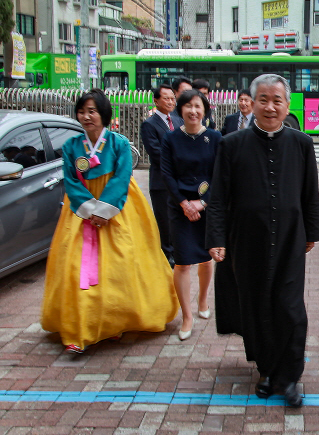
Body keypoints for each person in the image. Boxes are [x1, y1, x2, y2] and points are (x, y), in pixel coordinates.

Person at [206, 74, 319, 408]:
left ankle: (290, 377)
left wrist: (311, 232)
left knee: (290, 307)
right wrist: (216, 237)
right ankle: (267, 370)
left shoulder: (302, 143)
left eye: (277, 100)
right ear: (252, 103)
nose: (271, 107)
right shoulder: (231, 144)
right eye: (264, 100)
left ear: (287, 105)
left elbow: (310, 192)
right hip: (246, 239)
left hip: (290, 238)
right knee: (255, 305)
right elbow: (218, 197)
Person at [41, 89, 178, 354]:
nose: (86, 116)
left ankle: (115, 321)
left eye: (92, 111)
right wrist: (89, 210)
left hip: (118, 209)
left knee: (121, 266)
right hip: (80, 212)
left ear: (103, 113)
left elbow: (122, 177)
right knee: (76, 267)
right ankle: (80, 328)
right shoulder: (71, 146)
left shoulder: (118, 143)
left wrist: (103, 211)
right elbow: (71, 181)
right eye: (82, 112)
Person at [161, 90, 221, 341]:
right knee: (183, 262)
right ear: (180, 109)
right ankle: (186, 316)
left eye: (198, 106)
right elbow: (166, 174)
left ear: (205, 110)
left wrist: (203, 203)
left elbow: (220, 174)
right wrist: (185, 204)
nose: (193, 111)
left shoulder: (215, 138)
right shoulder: (171, 138)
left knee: (207, 258)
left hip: (206, 207)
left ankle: (203, 299)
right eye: (188, 106)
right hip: (180, 208)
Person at [140, 84, 183, 267]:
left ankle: (178, 250)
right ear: (156, 101)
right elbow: (156, 153)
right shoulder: (149, 125)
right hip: (161, 181)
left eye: (172, 98)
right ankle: (167, 253)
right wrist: (181, 160)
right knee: (164, 219)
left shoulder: (179, 121)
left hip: (180, 180)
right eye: (166, 98)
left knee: (179, 216)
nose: (170, 101)